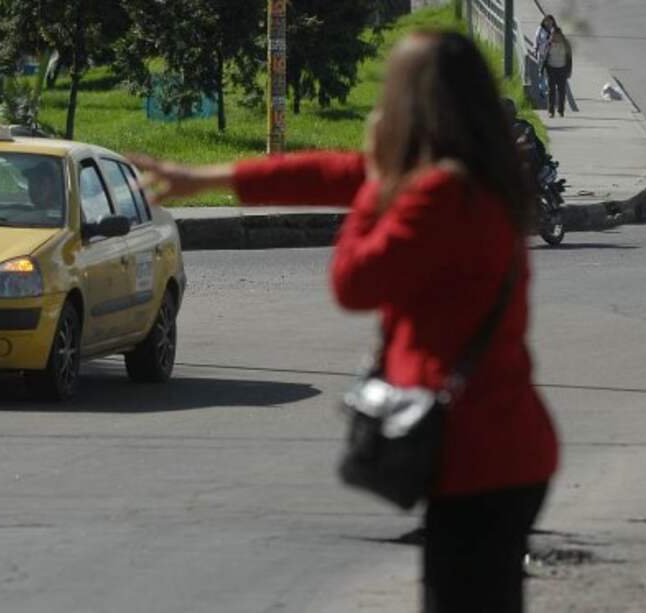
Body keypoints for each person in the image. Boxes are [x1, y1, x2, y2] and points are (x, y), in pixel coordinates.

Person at [132, 31, 558, 613]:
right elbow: (328, 173)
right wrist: (205, 179)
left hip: (476, 452)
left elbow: (354, 282)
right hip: (502, 446)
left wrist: (379, 182)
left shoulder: (438, 193)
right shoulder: (472, 178)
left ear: (417, 103)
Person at [542, 27, 572, 118]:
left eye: (556, 35)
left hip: (562, 69)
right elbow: (545, 57)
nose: (554, 37)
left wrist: (569, 71)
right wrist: (543, 70)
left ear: (560, 35)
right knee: (551, 91)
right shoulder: (549, 44)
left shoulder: (566, 44)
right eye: (552, 35)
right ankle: (551, 111)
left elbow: (569, 59)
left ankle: (561, 110)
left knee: (561, 91)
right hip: (551, 69)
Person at [534, 15, 557, 96]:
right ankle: (541, 89)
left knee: (549, 73)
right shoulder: (540, 29)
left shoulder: (554, 30)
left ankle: (548, 88)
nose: (548, 23)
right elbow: (536, 39)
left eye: (550, 21)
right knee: (541, 72)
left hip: (550, 55)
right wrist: (535, 49)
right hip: (541, 54)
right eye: (546, 21)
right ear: (544, 21)